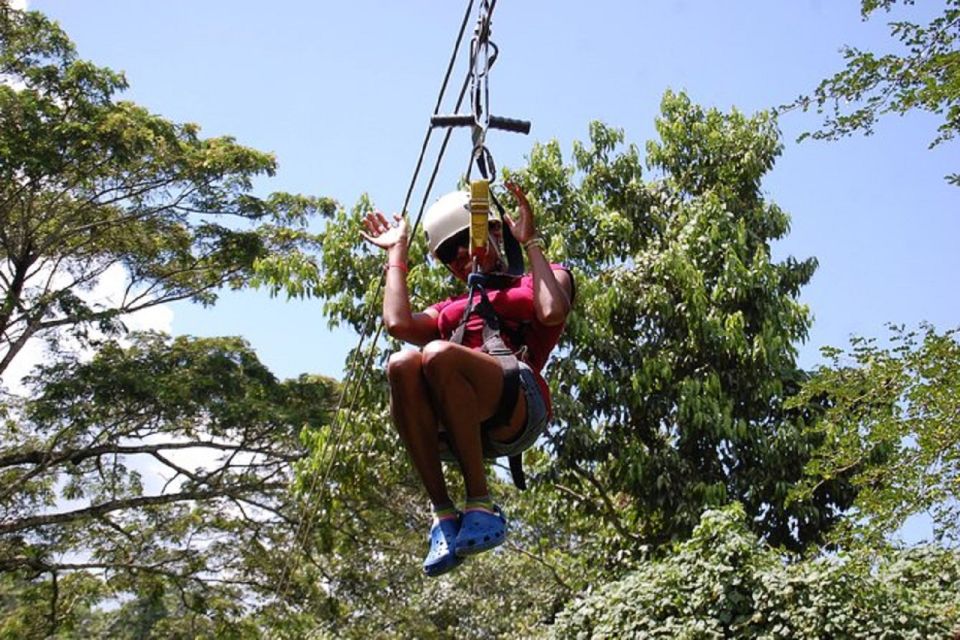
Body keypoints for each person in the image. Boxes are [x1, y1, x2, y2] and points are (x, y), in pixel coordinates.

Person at [360, 182, 574, 577]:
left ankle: (480, 500)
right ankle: (443, 513)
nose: (459, 256)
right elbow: (397, 323)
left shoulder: (536, 282)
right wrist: (397, 254)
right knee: (401, 364)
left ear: (495, 232)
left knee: (437, 354)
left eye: (464, 241)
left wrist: (530, 243)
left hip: (520, 402)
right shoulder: (450, 309)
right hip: (463, 421)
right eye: (447, 253)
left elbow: (551, 312)